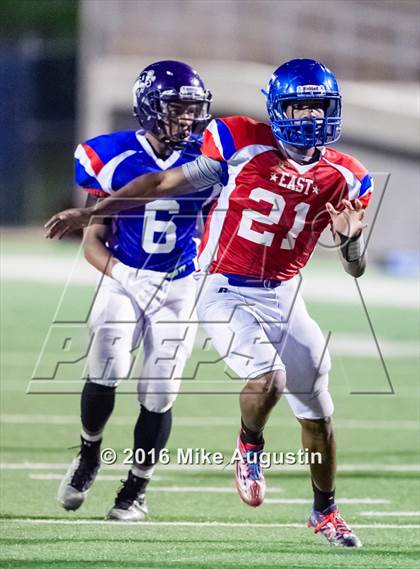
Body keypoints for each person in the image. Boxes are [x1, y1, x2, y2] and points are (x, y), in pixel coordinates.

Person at [46, 58, 373, 546]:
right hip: (220, 284)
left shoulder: (348, 176)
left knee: (320, 412)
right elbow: (160, 183)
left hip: (284, 292)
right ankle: (249, 444)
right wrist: (94, 211)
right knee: (268, 379)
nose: (309, 117)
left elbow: (355, 268)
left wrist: (349, 243)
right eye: (298, 106)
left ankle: (324, 512)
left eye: (318, 106)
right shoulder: (238, 142)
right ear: (278, 108)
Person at [55, 60, 216, 521]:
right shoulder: (112, 155)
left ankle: (135, 490)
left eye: (193, 110)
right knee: (107, 361)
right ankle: (89, 454)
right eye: (177, 109)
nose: (187, 119)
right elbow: (92, 241)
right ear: (148, 108)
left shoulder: (207, 159)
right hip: (125, 278)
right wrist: (126, 277)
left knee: (161, 391)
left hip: (179, 285)